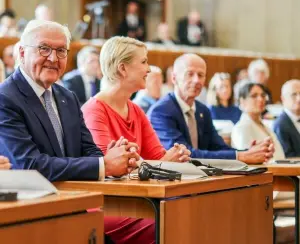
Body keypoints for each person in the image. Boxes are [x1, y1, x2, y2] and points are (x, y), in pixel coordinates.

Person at [0, 20, 155, 244]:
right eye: (44, 48)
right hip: (34, 215)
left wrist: (115, 157)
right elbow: (30, 165)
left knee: (166, 223)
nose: (53, 58)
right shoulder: (6, 98)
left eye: (61, 50)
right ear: (22, 53)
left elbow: (89, 150)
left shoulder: (67, 97)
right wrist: (103, 165)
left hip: (78, 205)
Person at [82, 36, 191, 163]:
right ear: (122, 69)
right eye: (144, 62)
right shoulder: (93, 111)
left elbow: (158, 157)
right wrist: (166, 162)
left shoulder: (136, 111)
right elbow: (110, 167)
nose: (149, 69)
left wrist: (177, 156)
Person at [148, 53, 274, 163]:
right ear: (174, 78)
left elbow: (218, 147)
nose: (196, 80)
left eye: (201, 75)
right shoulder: (161, 111)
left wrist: (251, 152)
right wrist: (242, 156)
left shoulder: (203, 110)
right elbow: (184, 154)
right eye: (190, 74)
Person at [231, 82, 284, 160]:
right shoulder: (242, 128)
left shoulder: (265, 126)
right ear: (242, 101)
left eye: (263, 95)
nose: (260, 99)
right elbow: (247, 159)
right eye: (254, 96)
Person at [274, 80, 300, 157]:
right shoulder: (280, 125)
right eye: (294, 94)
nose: (299, 99)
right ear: (283, 99)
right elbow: (288, 157)